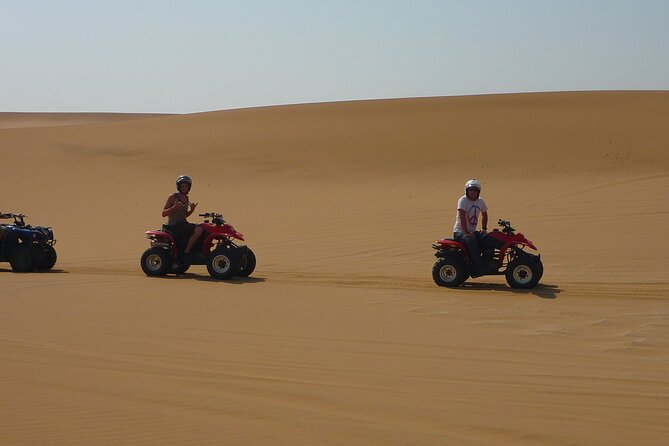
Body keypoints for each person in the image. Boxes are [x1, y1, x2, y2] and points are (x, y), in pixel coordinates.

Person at [453, 179, 488, 276]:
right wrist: (465, 232)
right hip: (459, 232)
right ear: (467, 191)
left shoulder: (480, 201)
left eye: (475, 190)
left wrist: (484, 229)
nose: (472, 192)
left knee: (487, 238)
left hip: (471, 232)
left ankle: (487, 260)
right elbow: (462, 216)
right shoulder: (463, 200)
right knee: (471, 239)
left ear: (478, 191)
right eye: (470, 190)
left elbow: (484, 214)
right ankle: (479, 266)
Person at [162, 175, 201, 257]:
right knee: (199, 229)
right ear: (178, 187)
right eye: (182, 186)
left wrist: (192, 210)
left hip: (183, 224)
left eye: (186, 186)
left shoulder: (186, 198)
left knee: (203, 227)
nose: (184, 188)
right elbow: (163, 213)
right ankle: (186, 252)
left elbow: (184, 216)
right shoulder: (173, 197)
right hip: (174, 226)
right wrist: (174, 207)